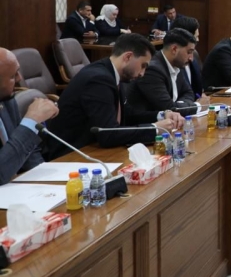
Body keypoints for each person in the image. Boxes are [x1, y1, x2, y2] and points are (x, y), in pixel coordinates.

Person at [46, 34, 184, 160]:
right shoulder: (98, 79)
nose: (143, 73)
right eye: (143, 66)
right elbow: (108, 134)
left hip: (92, 149)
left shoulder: (112, 73)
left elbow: (127, 114)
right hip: (70, 155)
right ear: (128, 57)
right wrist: (155, 129)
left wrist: (162, 115)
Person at [0, 48, 59, 184]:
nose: (19, 78)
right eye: (13, 76)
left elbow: (29, 153)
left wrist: (46, 182)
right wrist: (31, 121)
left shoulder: (7, 101)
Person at [126, 29, 209, 118]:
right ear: (174, 49)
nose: (191, 58)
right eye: (189, 52)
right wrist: (198, 106)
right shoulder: (152, 70)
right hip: (149, 123)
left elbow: (188, 93)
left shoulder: (177, 64)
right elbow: (168, 108)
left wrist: (179, 105)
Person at [172, 16, 203, 99]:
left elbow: (199, 87)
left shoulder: (195, 54)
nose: (198, 40)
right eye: (196, 37)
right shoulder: (172, 62)